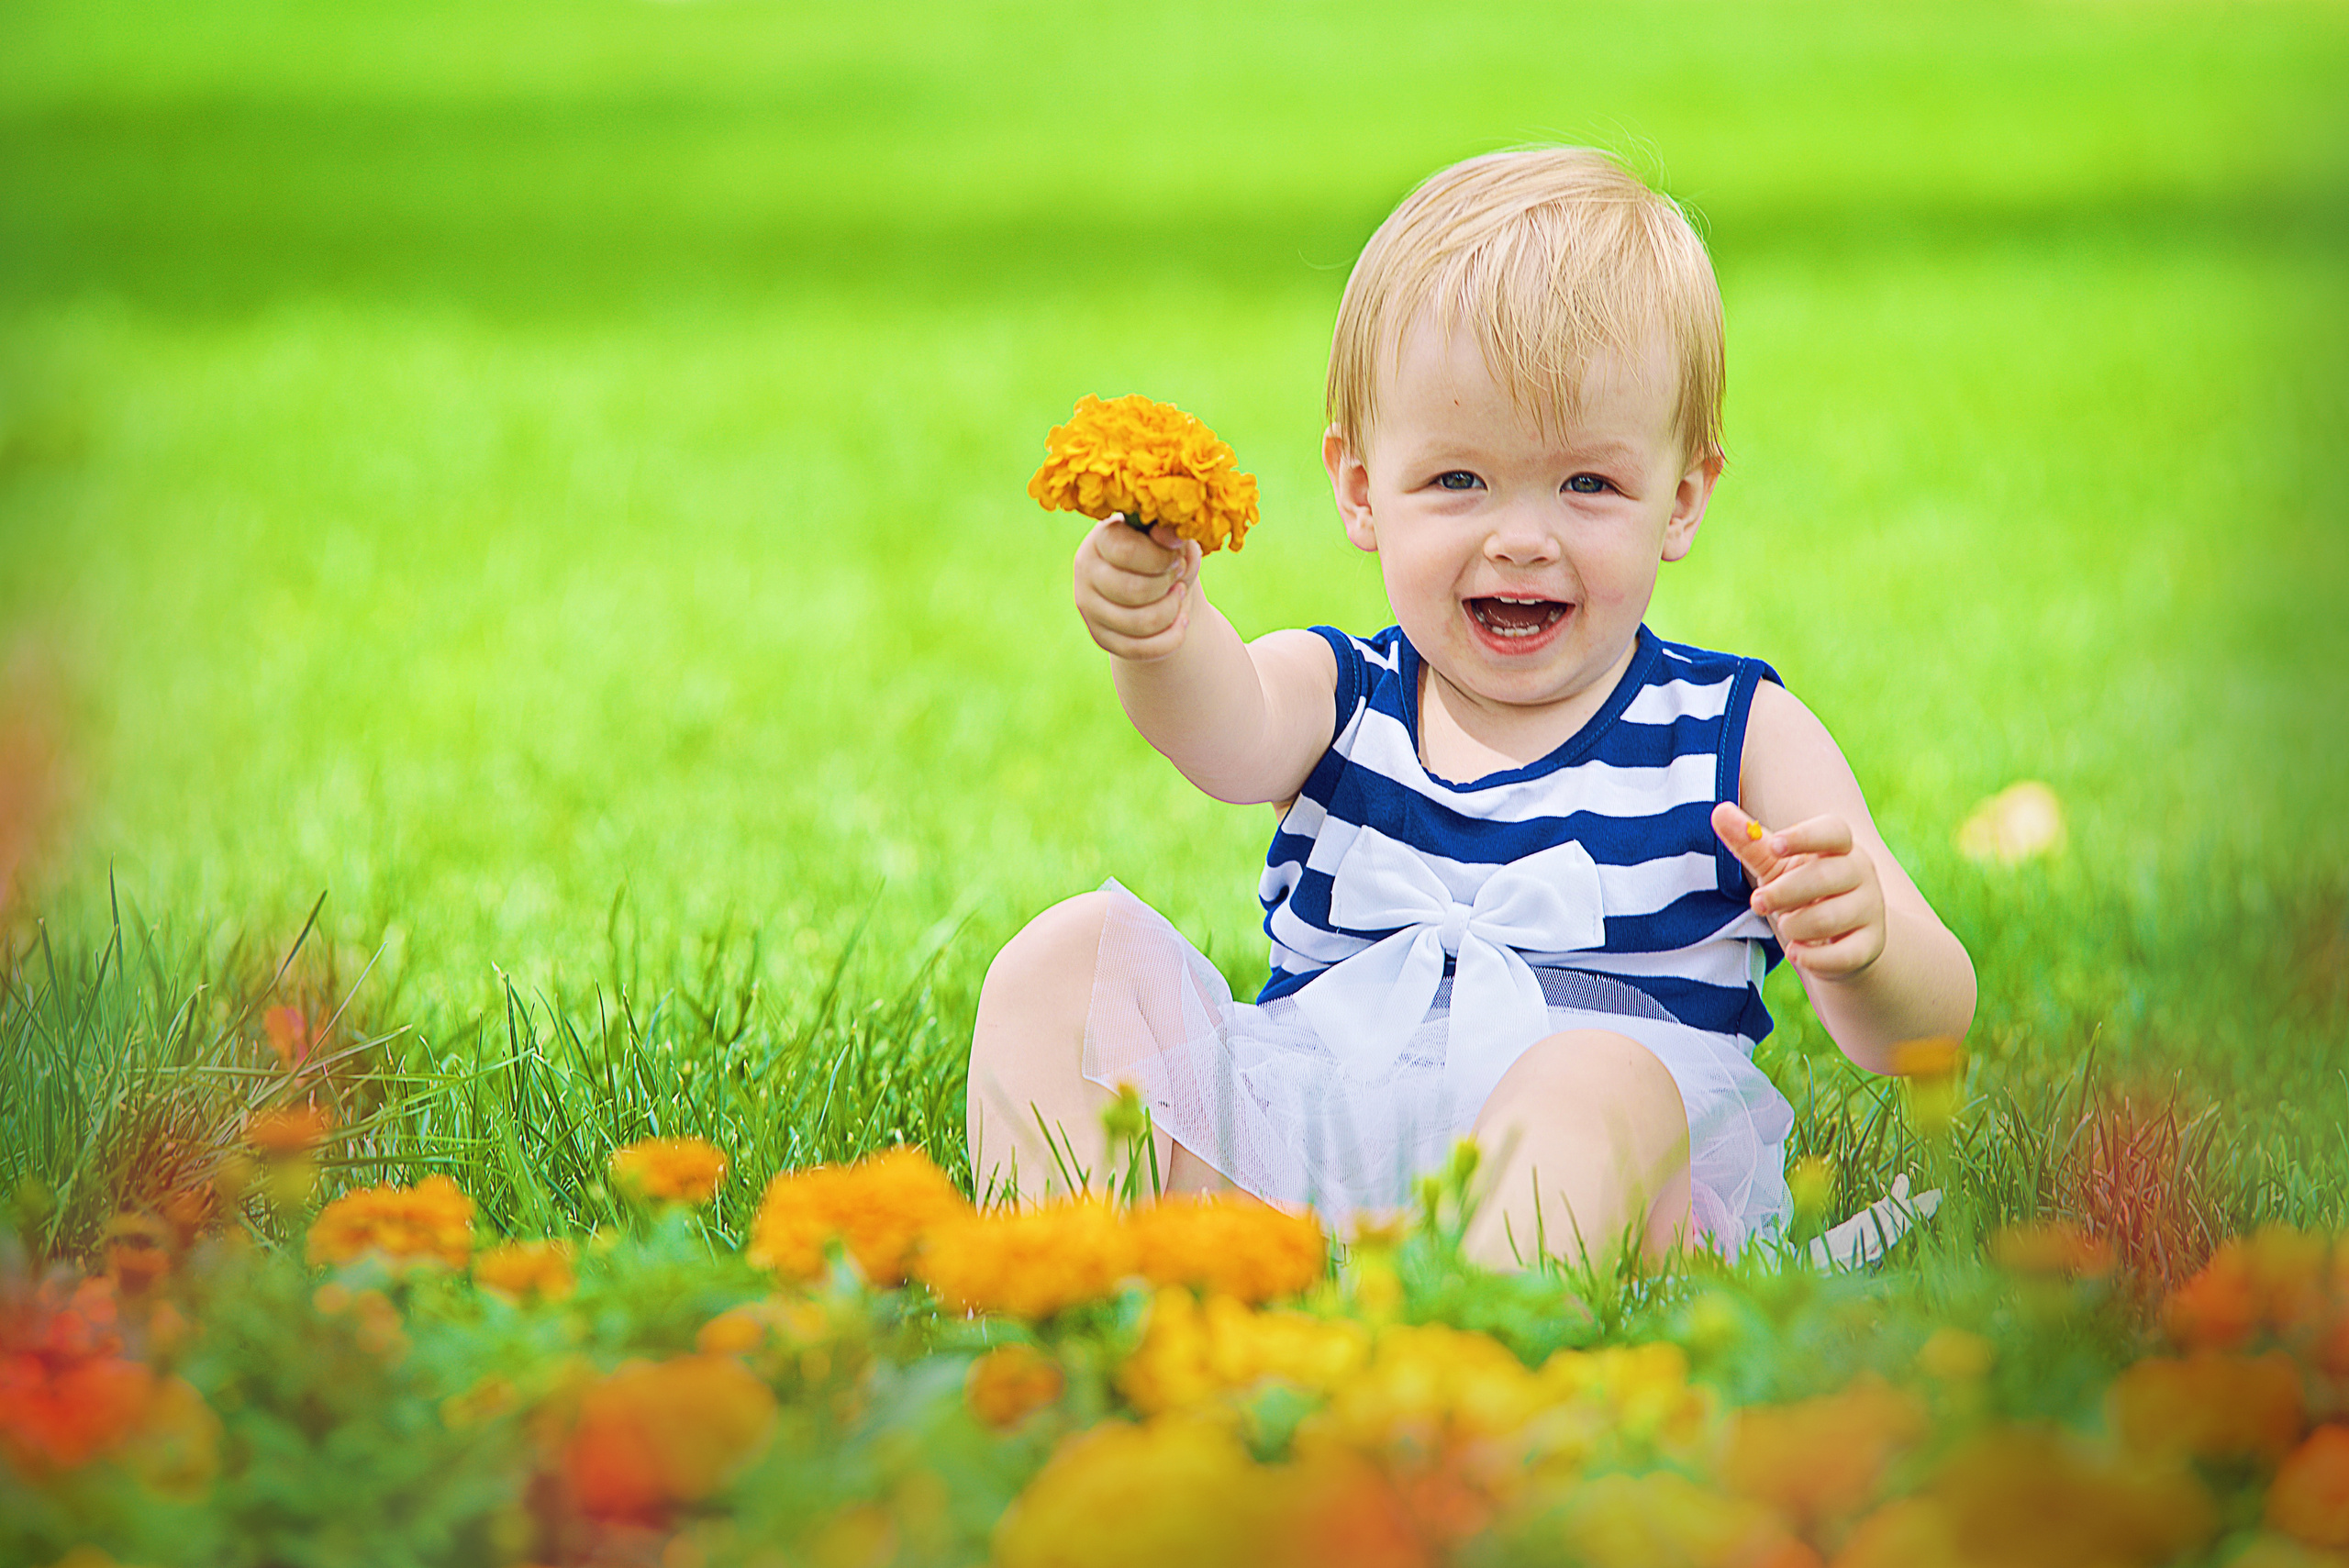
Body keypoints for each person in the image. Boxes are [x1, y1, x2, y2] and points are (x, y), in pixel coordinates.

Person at [966, 148, 1976, 1267]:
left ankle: (1467, 1333)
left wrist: (1860, 947)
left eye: (1587, 483)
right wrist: (1161, 631)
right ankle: (1065, 1283)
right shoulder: (1345, 693)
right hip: (1297, 1164)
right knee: (1069, 956)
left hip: (1579, 1179)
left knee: (1594, 1080)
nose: (1520, 534)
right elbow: (1223, 725)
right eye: (1458, 480)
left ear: (1681, 498)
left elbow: (1929, 1028)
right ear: (1359, 489)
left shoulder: (1733, 733)